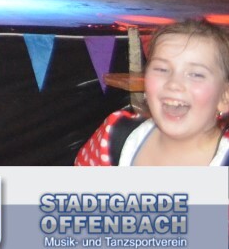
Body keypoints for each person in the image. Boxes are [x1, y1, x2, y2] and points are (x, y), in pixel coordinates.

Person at [75, 18, 229, 166]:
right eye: (162, 69)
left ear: (225, 97)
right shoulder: (115, 135)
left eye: (196, 74)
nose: (173, 84)